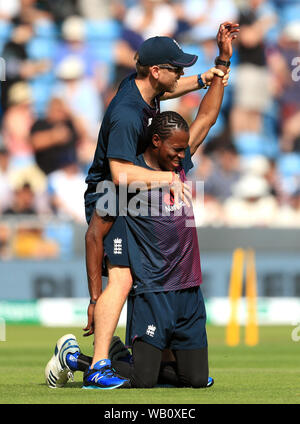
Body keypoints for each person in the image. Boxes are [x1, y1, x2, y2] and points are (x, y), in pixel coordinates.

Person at [45, 23, 239, 389]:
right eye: (176, 68)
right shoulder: (128, 114)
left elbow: (201, 114)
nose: (180, 73)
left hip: (134, 189)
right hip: (111, 194)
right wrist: (170, 180)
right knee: (122, 278)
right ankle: (98, 363)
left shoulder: (144, 94)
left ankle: (119, 356)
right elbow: (118, 174)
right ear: (155, 71)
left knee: (136, 283)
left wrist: (209, 74)